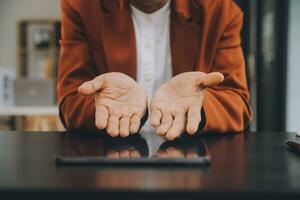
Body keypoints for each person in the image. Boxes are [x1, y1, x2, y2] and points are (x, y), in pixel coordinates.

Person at [57, 0, 252, 141]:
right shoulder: (81, 7)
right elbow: (70, 102)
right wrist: (104, 107)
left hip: (191, 166)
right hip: (110, 163)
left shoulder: (220, 12)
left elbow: (237, 104)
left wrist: (199, 107)